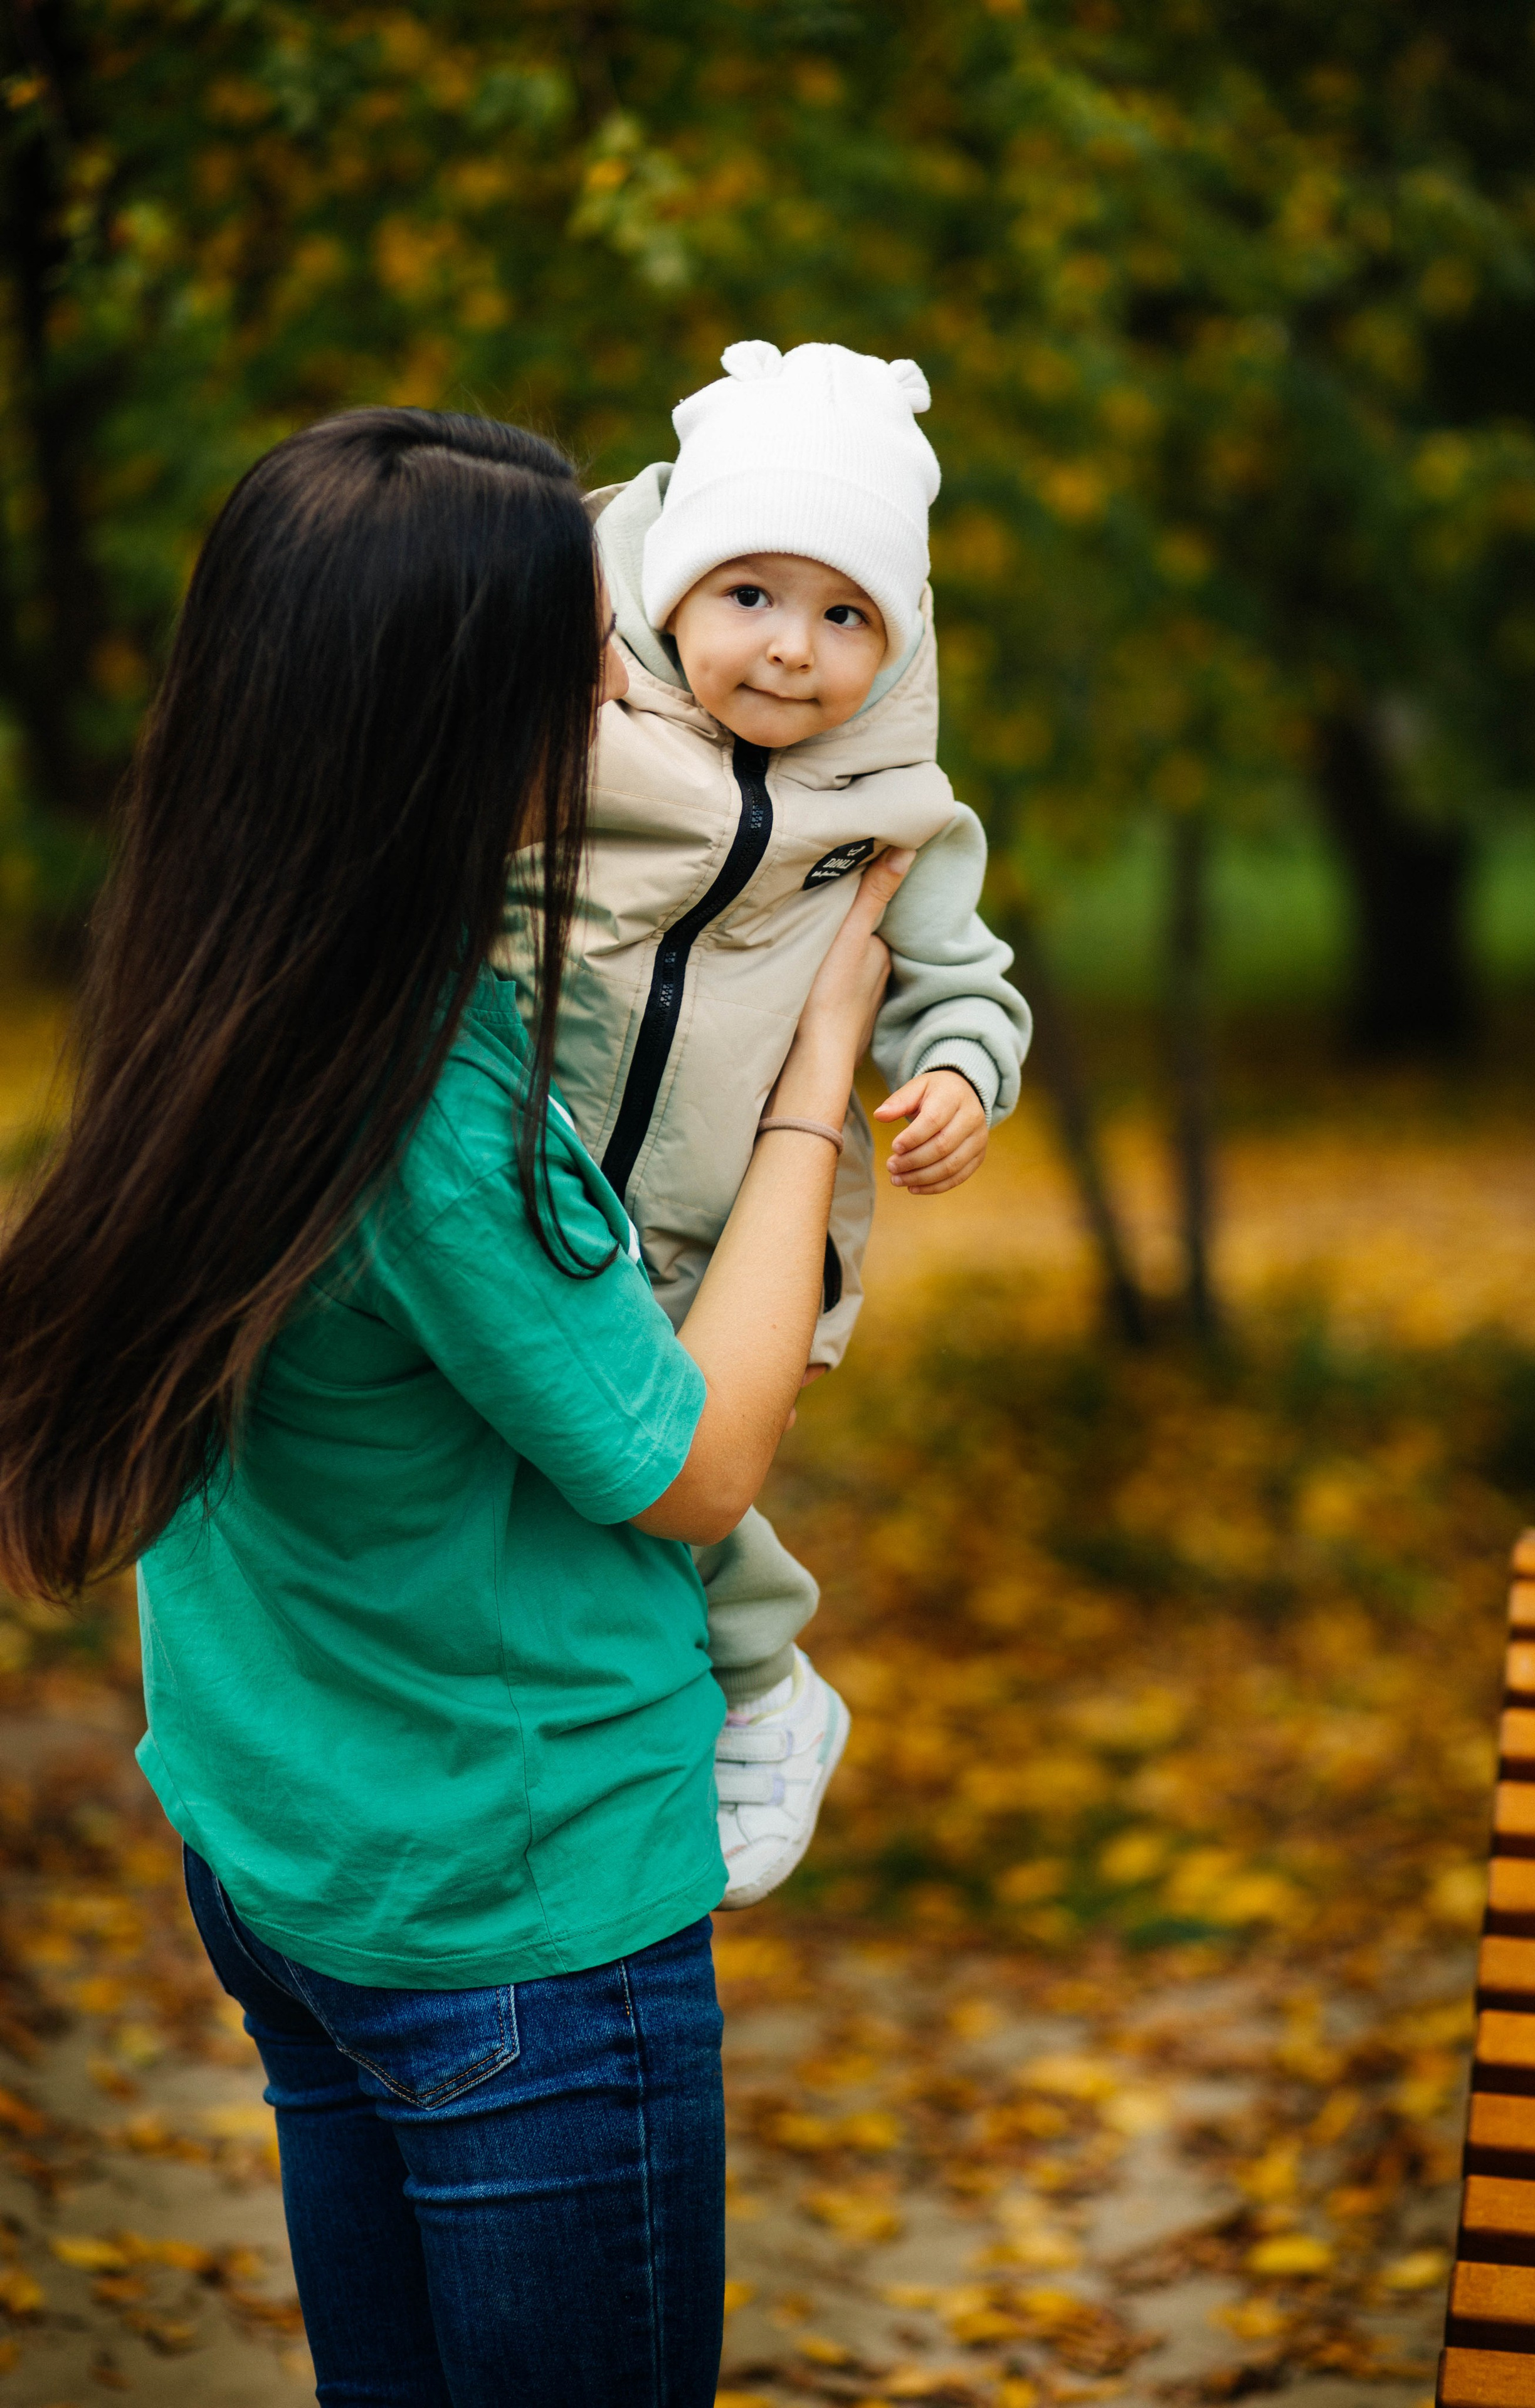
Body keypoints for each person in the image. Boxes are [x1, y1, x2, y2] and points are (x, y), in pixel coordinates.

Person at [0, 406, 912, 2407]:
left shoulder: (204, 969)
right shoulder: (429, 1088)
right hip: (508, 1921)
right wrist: (815, 1071)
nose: (622, 672)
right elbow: (691, 1467)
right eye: (575, 648)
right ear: (450, 716)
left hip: (286, 1857)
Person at [499, 338, 1031, 1908]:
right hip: (530, 1177)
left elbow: (964, 985)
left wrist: (955, 1077)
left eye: (845, 613)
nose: (793, 650)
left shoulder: (896, 814)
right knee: (543, 1458)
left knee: (676, 1475)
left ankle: (764, 1689)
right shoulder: (573, 729)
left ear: (901, 634)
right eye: (750, 596)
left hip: (740, 1222)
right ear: (666, 581)